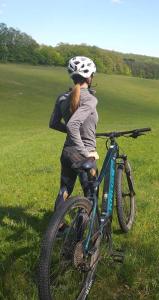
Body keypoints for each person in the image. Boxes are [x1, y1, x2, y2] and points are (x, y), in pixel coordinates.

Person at [49, 56, 99, 212]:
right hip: (83, 152)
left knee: (65, 189)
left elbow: (54, 124)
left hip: (67, 151)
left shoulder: (62, 97)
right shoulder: (90, 99)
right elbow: (73, 125)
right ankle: (87, 231)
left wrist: (73, 135)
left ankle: (59, 227)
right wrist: (85, 152)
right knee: (91, 193)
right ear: (89, 77)